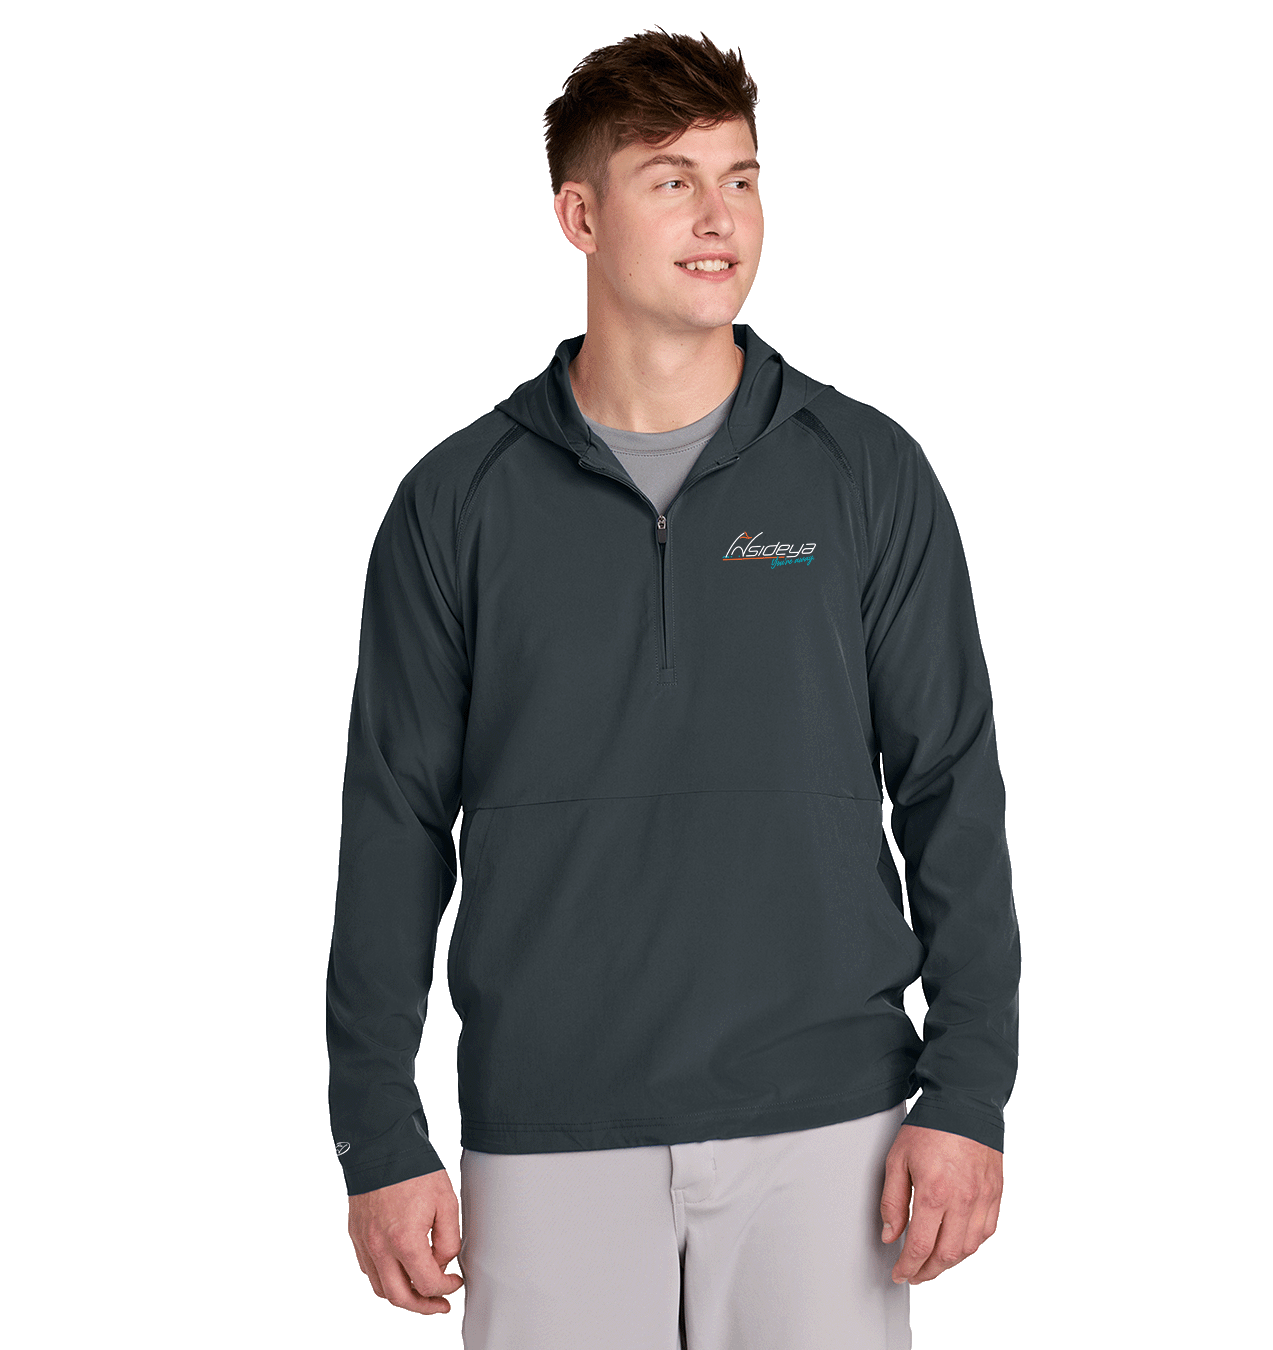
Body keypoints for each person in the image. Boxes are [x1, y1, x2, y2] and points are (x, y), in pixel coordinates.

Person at [325, 27, 1020, 1349]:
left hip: (832, 1124)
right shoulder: (457, 503)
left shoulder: (864, 473)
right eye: (672, 180)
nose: (720, 218)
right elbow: (392, 823)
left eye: (741, 178)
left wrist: (968, 1091)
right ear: (579, 216)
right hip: (549, 1130)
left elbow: (951, 790)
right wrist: (377, 1128)